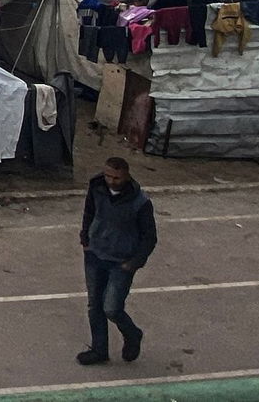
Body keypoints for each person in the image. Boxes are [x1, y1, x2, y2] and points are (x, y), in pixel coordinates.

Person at [78, 156, 156, 365]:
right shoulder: (96, 187)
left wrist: (133, 263)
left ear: (126, 176)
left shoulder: (140, 202)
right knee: (95, 305)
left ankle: (132, 334)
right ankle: (99, 349)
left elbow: (150, 237)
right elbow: (89, 212)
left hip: (121, 262)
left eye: (117, 178)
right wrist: (85, 239)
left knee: (111, 308)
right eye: (108, 176)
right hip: (95, 255)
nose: (111, 181)